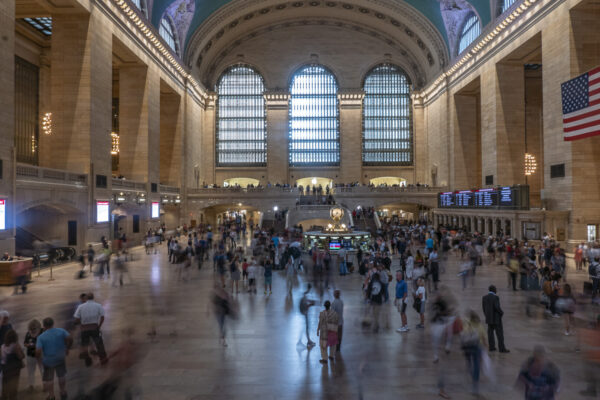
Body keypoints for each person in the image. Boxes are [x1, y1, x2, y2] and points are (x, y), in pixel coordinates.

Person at [36, 317, 73, 400]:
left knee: (49, 379)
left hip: (48, 360)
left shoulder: (41, 337)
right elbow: (70, 339)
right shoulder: (61, 331)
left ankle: (52, 396)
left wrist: (39, 359)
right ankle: (63, 392)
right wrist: (67, 348)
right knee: (61, 375)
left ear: (44, 326)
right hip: (60, 357)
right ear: (53, 324)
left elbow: (38, 351)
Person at [73, 292, 108, 366]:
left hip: (84, 329)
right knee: (99, 345)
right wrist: (99, 326)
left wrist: (81, 324)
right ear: (93, 297)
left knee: (85, 345)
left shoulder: (81, 307)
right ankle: (103, 360)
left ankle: (88, 362)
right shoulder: (98, 305)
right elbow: (102, 317)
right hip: (95, 328)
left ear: (86, 298)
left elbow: (76, 318)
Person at [460, 311, 487, 394]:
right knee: (476, 364)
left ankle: (469, 371)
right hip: (477, 347)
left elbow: (462, 335)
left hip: (467, 347)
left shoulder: (466, 324)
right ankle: (475, 381)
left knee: (468, 361)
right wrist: (486, 346)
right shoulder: (480, 326)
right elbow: (484, 338)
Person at [482, 285, 509, 353]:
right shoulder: (496, 297)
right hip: (496, 319)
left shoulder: (484, 297)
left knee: (490, 334)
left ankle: (491, 347)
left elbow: (484, 308)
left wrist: (487, 316)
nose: (496, 290)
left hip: (489, 319)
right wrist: (501, 313)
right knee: (499, 334)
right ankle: (502, 348)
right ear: (493, 290)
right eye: (496, 289)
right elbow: (496, 307)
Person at [1, 329, 25, 399]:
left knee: (5, 387)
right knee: (13, 388)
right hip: (14, 370)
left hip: (5, 370)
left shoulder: (2, 346)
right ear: (15, 337)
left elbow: (2, 359)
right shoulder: (15, 346)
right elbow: (21, 356)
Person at [24, 319, 44, 391]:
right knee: (30, 371)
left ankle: (45, 385)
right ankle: (31, 385)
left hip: (41, 355)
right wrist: (28, 345)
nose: (32, 330)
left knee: (43, 370)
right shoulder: (28, 333)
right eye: (30, 329)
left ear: (39, 327)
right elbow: (25, 343)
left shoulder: (43, 332)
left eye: (34, 329)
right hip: (30, 355)